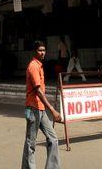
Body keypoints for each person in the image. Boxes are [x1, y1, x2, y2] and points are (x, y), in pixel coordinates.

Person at [23, 41, 61, 169]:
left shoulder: (40, 65)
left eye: (44, 50)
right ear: (35, 51)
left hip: (41, 108)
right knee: (31, 143)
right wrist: (53, 110)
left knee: (53, 138)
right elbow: (38, 91)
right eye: (40, 50)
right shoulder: (33, 66)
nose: (43, 52)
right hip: (33, 108)